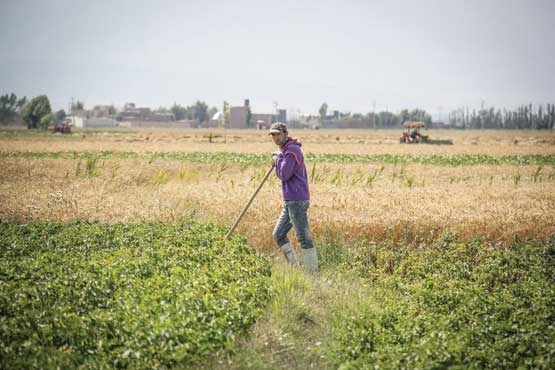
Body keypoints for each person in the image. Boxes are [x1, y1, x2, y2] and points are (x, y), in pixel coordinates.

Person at [269, 122, 318, 274]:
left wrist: (277, 160)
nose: (275, 138)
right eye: (273, 135)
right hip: (290, 201)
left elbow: (284, 174)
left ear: (285, 133)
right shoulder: (285, 151)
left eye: (278, 134)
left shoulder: (291, 151)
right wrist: (279, 157)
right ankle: (295, 268)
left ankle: (312, 274)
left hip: (297, 200)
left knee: (303, 237)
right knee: (278, 234)